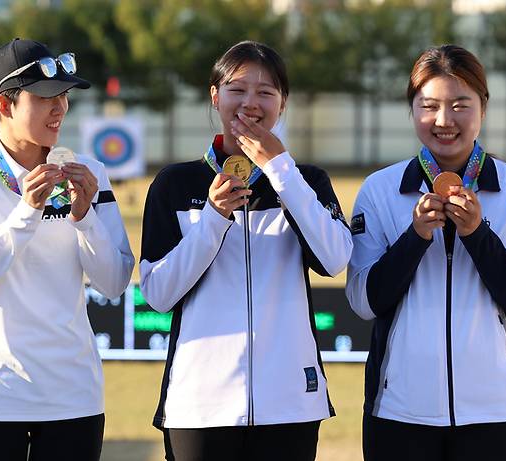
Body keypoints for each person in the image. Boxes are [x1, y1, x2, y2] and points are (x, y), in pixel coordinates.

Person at [140, 40, 353, 461]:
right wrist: (215, 218)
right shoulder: (175, 183)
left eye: (266, 92)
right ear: (215, 95)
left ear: (283, 103)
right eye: (237, 89)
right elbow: (159, 293)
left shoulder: (305, 180)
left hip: (290, 403)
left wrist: (282, 172)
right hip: (199, 406)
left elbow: (334, 259)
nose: (250, 103)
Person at [346, 44, 506, 461]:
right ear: (412, 109)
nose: (444, 120)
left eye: (460, 105)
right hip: (399, 410)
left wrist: (477, 233)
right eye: (429, 105)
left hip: (496, 413)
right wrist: (415, 237)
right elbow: (363, 301)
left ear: (483, 107)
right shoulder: (380, 190)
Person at [0, 38, 134, 461]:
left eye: (64, 96)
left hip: (72, 395)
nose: (59, 108)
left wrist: (85, 217)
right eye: (45, 97)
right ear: (5, 105)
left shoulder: (90, 174)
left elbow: (114, 282)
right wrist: (27, 211)